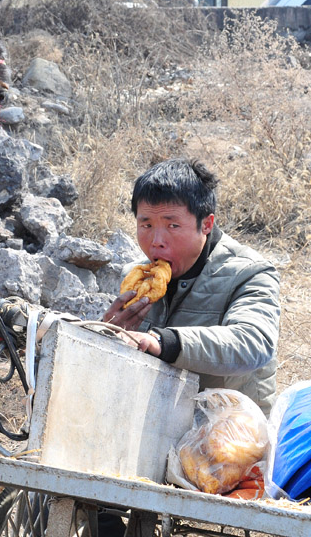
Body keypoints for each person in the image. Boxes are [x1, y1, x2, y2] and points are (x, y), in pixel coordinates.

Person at [97, 158, 281, 536]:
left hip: (224, 442)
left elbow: (254, 342)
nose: (156, 240)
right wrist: (108, 334)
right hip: (150, 427)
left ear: (207, 223)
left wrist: (164, 341)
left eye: (172, 226)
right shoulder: (138, 277)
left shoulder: (251, 273)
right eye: (145, 224)